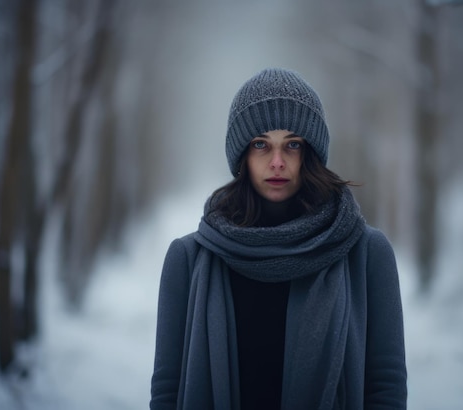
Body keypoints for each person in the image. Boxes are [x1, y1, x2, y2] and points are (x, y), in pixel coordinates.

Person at [150, 68, 407, 409]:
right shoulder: (189, 259)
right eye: (260, 144)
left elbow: (385, 388)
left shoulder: (366, 254)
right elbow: (168, 391)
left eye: (292, 145)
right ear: (241, 153)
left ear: (311, 153)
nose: (276, 162)